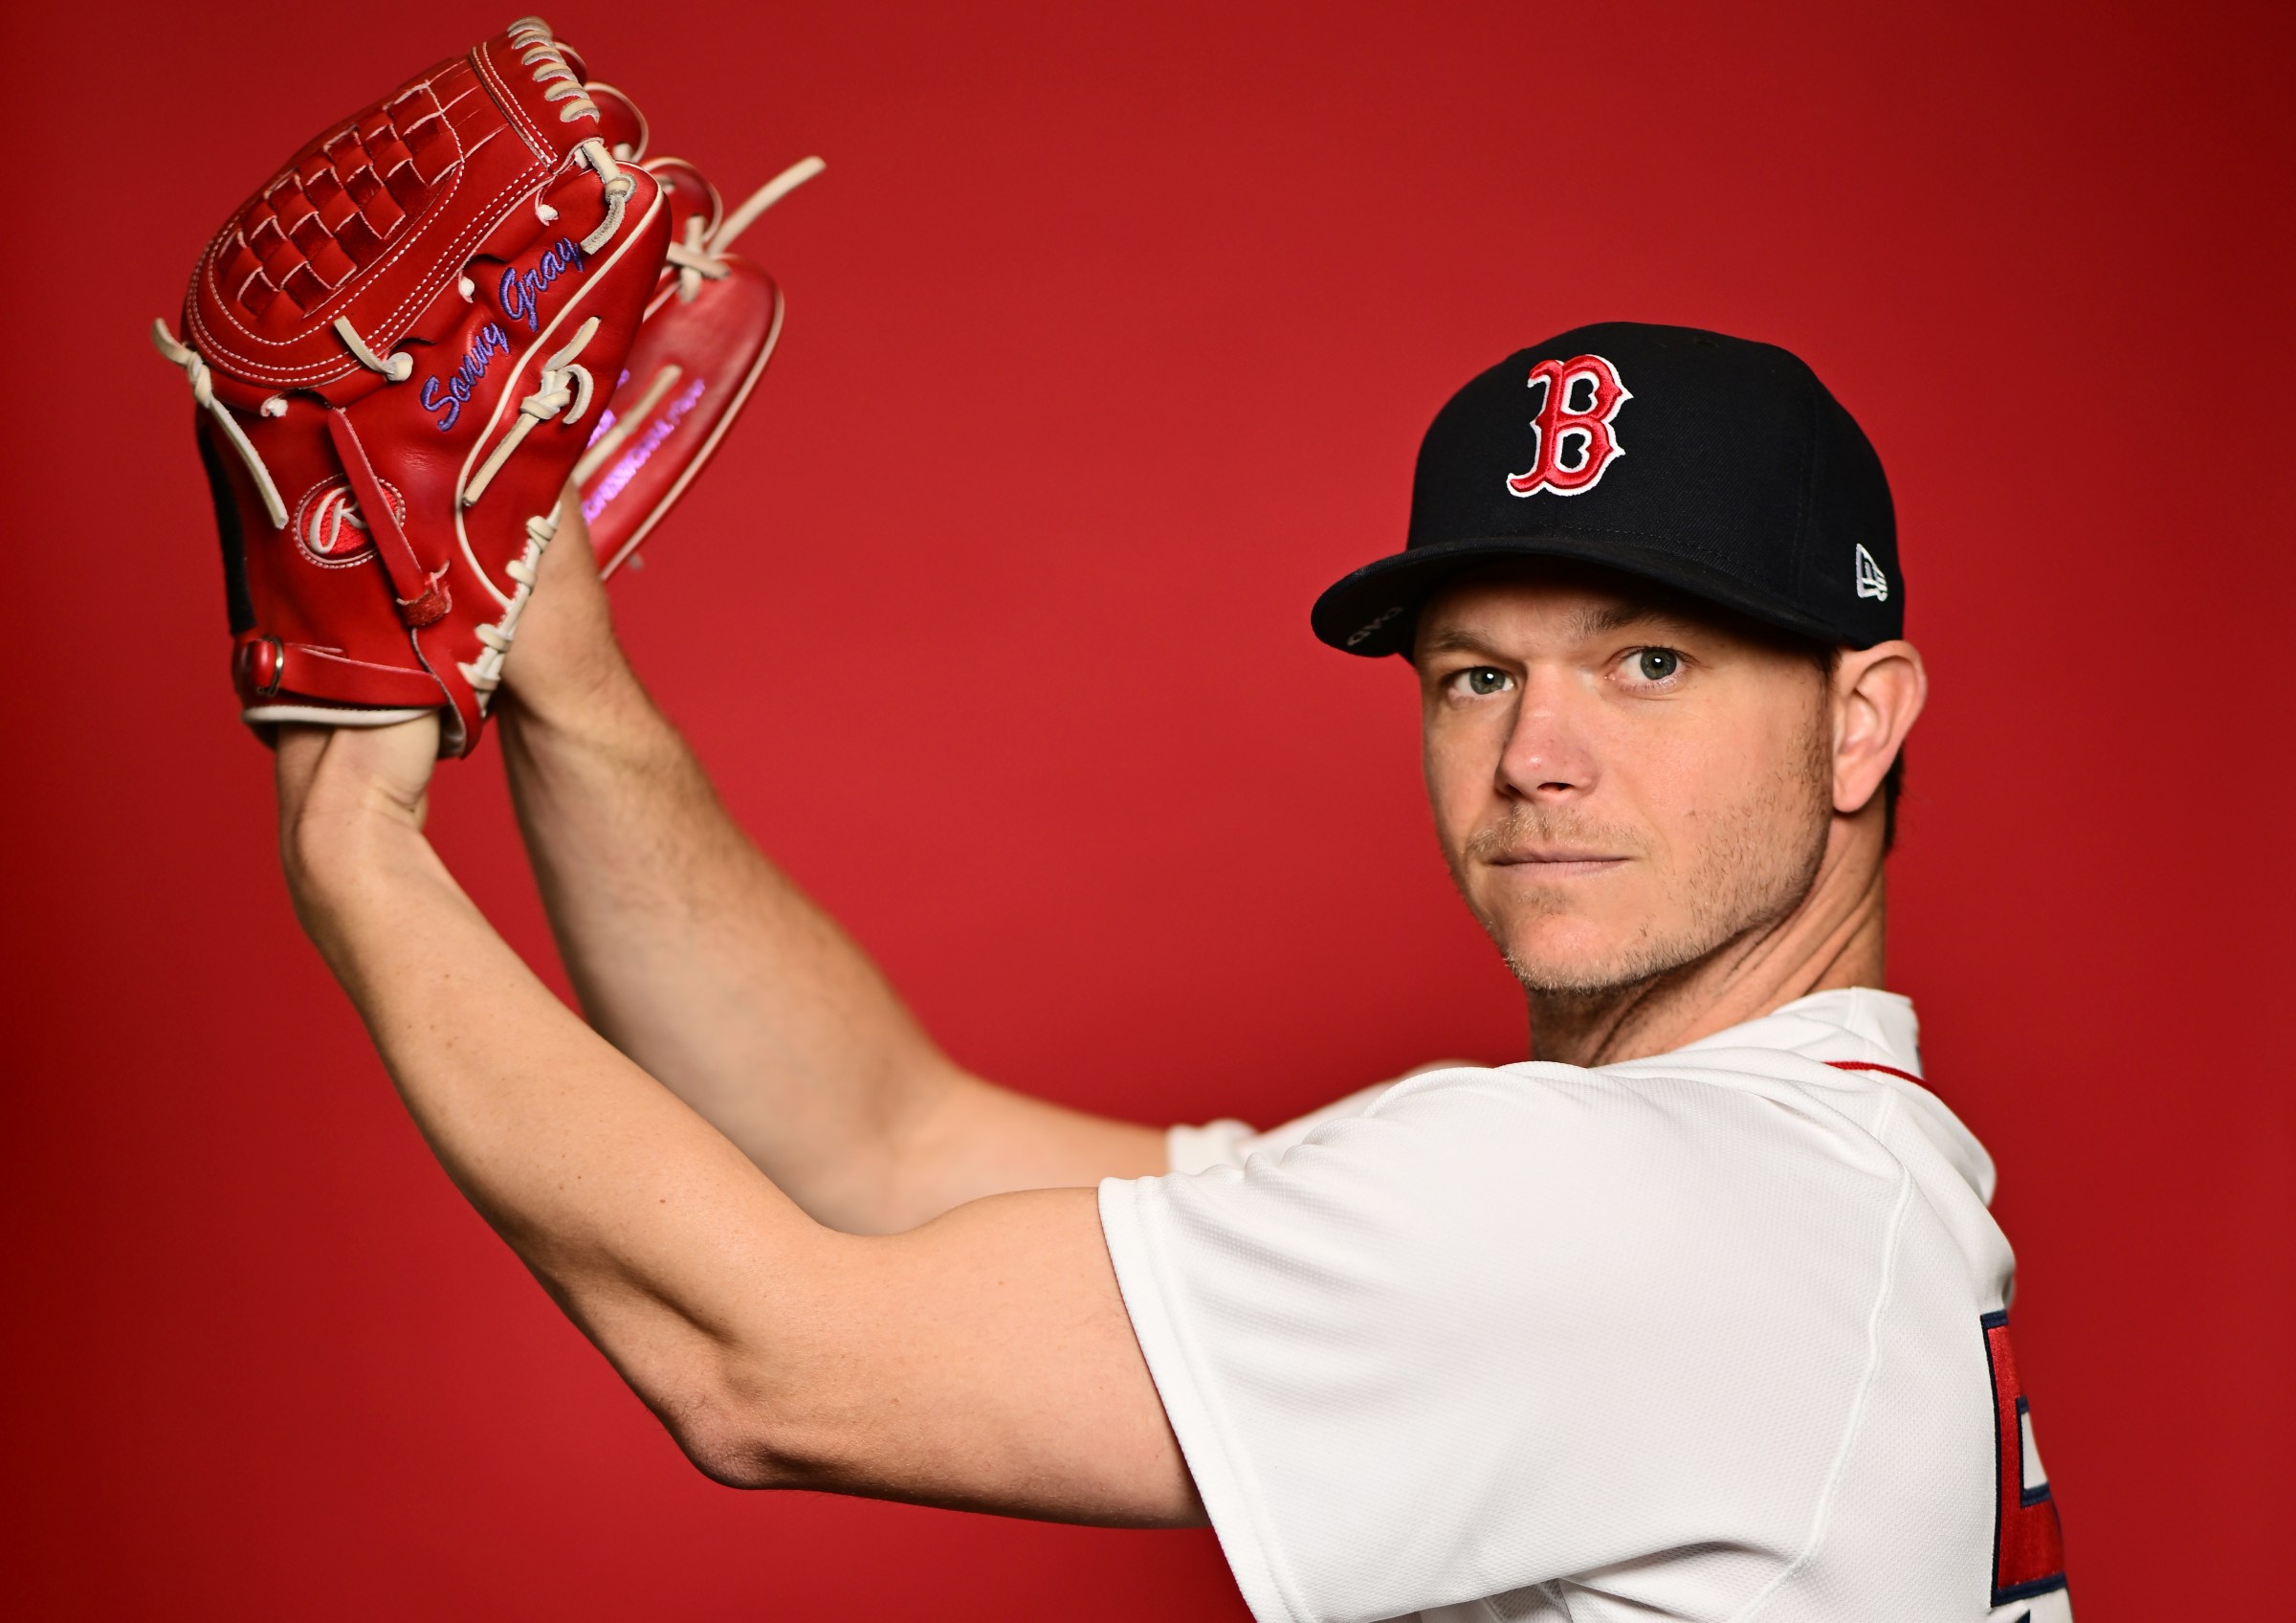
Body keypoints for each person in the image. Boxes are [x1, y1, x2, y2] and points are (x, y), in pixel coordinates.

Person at [270, 322, 2070, 1621]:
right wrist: (568, 683)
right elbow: (881, 1141)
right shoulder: (1798, 1181)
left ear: (1862, 723)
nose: (1537, 755)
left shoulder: (1632, 1207)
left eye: (1651, 665)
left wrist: (355, 838)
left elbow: (762, 1365)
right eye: (1474, 674)